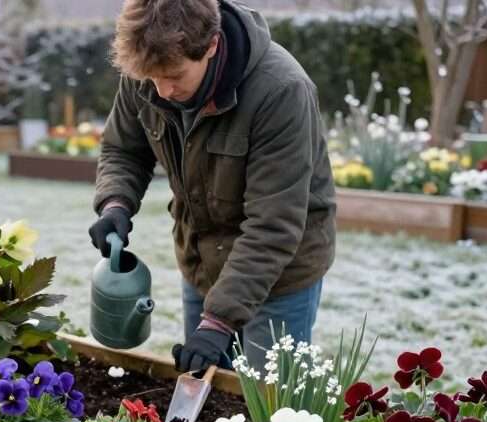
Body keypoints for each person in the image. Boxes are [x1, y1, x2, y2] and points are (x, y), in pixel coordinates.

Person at [88, 0, 336, 373]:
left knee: (270, 413)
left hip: (278, 275)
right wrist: (115, 204)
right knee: (206, 403)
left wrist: (218, 321)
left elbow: (273, 226)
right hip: (202, 261)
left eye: (174, 76)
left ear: (212, 46)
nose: (162, 90)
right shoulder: (147, 72)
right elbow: (123, 148)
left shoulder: (281, 91)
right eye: (152, 78)